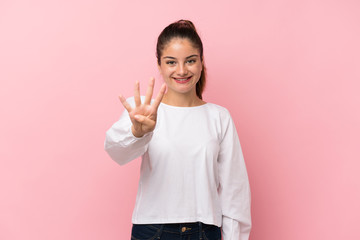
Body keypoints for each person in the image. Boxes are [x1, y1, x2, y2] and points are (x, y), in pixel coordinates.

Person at [104, 20, 251, 240]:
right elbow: (116, 152)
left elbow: (234, 192)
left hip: (205, 232)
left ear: (201, 62)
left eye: (190, 61)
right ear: (160, 65)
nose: (181, 70)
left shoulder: (219, 116)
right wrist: (137, 132)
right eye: (171, 62)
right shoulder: (145, 110)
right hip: (152, 231)